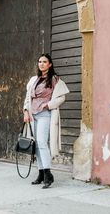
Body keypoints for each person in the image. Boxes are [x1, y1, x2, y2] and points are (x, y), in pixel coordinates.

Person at [23, 53, 69, 189]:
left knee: (42, 143)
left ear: (50, 64)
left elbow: (61, 98)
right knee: (36, 144)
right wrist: (26, 111)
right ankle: (41, 173)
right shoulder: (34, 80)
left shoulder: (55, 79)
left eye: (44, 62)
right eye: (39, 61)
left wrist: (47, 105)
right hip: (32, 115)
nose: (41, 64)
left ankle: (48, 173)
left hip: (44, 114)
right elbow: (28, 97)